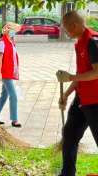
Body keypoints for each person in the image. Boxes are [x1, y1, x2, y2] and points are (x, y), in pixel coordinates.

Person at [56, 10, 98, 176]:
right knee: (69, 136)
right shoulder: (80, 43)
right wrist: (65, 95)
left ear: (74, 25)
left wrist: (70, 76)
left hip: (95, 101)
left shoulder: (93, 41)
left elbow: (96, 72)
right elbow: (82, 74)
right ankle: (67, 173)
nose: (66, 33)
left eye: (66, 29)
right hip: (81, 100)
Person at [0, 22, 22, 127]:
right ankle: (14, 120)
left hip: (10, 72)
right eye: (12, 29)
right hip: (5, 73)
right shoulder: (2, 43)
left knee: (4, 95)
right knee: (13, 95)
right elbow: (0, 59)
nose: (14, 32)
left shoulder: (11, 42)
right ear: (7, 30)